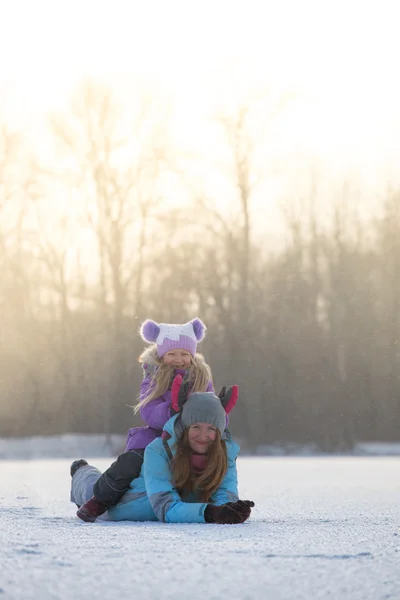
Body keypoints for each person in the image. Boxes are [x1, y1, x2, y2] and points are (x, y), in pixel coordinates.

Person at [73, 317, 214, 522]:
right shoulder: (153, 377)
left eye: (184, 354)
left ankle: (211, 498)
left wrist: (217, 418)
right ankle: (100, 500)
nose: (178, 359)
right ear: (160, 354)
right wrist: (171, 409)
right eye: (171, 353)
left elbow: (211, 408)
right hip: (156, 438)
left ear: (192, 355)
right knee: (130, 463)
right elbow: (148, 411)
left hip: (191, 437)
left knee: (215, 456)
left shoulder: (201, 379)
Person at [70, 377, 255, 524]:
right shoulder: (158, 450)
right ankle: (81, 470)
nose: (203, 435)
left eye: (211, 429)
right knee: (90, 487)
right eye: (196, 427)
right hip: (121, 507)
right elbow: (165, 507)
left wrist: (230, 509)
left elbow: (224, 493)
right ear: (184, 428)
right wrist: (210, 513)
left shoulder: (225, 453)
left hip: (182, 512)